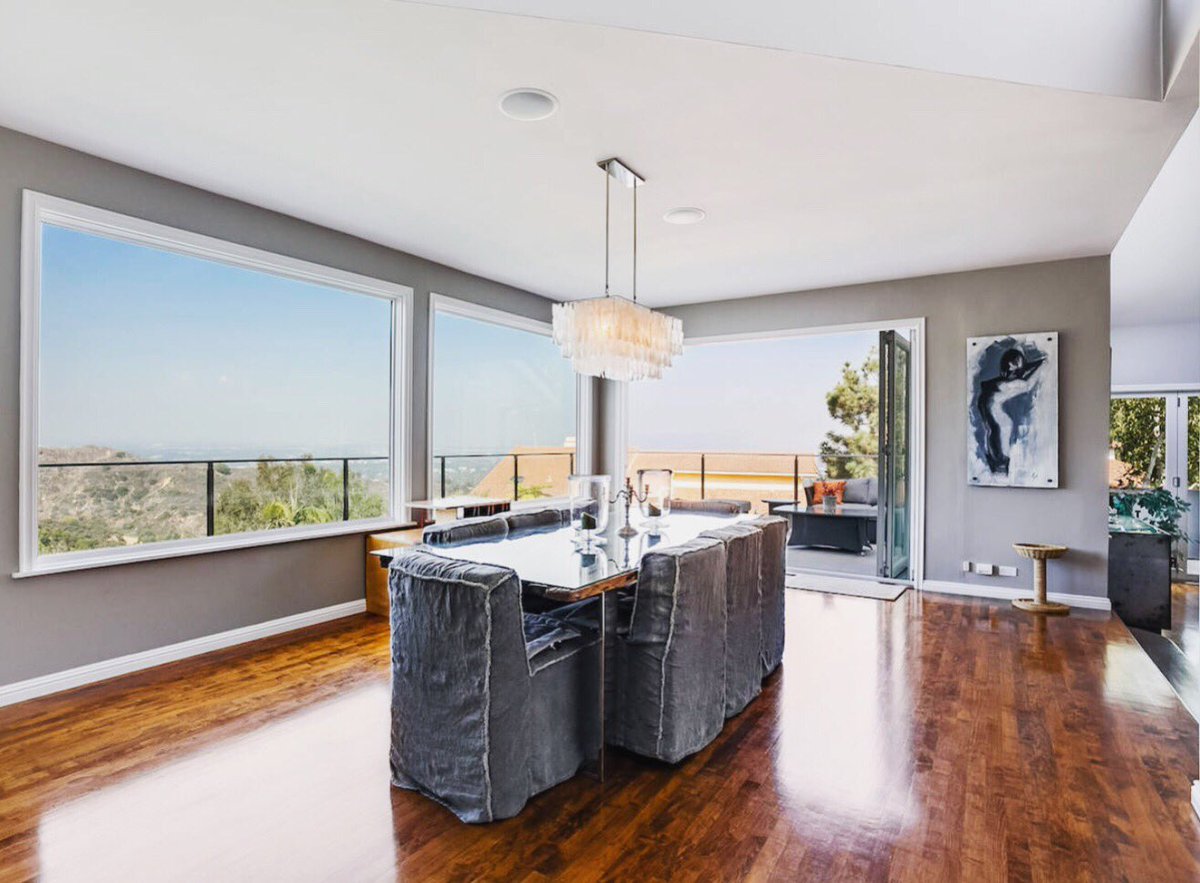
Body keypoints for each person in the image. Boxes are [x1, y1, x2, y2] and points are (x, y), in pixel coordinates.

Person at [977, 348, 1044, 475]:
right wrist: (1044, 363)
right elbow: (1027, 385)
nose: (1019, 369)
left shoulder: (993, 386)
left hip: (997, 446)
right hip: (999, 449)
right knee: (1000, 474)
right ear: (1011, 365)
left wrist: (1037, 363)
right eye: (1016, 364)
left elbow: (1021, 376)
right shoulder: (1002, 385)